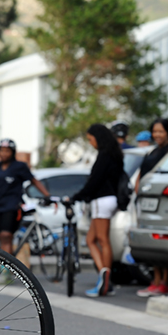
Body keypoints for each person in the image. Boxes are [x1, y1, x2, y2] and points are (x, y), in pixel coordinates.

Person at [72, 124, 124, 297]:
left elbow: (95, 180)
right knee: (91, 239)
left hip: (101, 200)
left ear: (98, 137)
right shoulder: (115, 154)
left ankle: (105, 277)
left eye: (90, 139)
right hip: (110, 199)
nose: (90, 142)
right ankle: (104, 276)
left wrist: (78, 195)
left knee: (102, 239)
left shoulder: (104, 155)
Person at [0, 139, 51, 261]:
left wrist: (47, 195)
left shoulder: (19, 166)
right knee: (1, 236)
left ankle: (6, 268)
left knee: (7, 235)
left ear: (12, 152)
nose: (4, 154)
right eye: (2, 151)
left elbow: (34, 181)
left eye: (7, 151)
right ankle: (8, 264)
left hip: (12, 206)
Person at [136, 118, 168, 297]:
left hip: (164, 202)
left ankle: (166, 281)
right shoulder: (152, 151)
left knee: (163, 240)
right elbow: (142, 174)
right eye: (155, 131)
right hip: (147, 201)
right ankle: (156, 280)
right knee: (152, 242)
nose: (157, 135)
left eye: (161, 131)